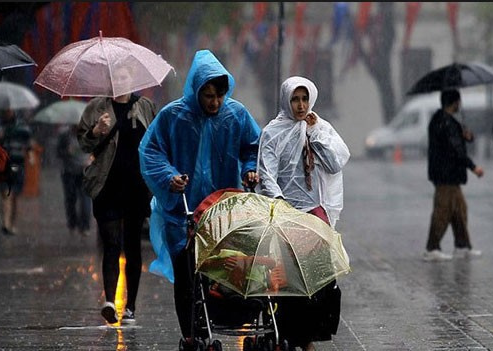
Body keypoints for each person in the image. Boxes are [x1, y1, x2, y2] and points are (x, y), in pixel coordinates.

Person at [138, 49, 261, 350]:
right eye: (207, 95)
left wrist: (249, 172)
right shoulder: (173, 117)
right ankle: (192, 333)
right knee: (186, 273)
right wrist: (170, 177)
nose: (214, 102)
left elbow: (253, 148)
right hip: (182, 213)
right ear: (196, 90)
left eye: (218, 95)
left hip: (223, 210)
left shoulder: (236, 115)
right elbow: (151, 151)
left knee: (222, 271)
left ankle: (215, 321)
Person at [257, 76, 350, 351]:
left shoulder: (317, 127)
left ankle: (311, 335)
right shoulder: (272, 133)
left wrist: (315, 134)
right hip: (285, 214)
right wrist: (280, 204)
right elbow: (267, 173)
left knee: (320, 279)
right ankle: (296, 337)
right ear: (287, 100)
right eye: (295, 99)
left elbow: (334, 164)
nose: (300, 105)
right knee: (290, 282)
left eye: (304, 99)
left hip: (314, 212)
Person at [77, 65, 157, 325]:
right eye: (114, 78)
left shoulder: (144, 106)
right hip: (106, 186)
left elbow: (157, 140)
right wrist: (96, 131)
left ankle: (130, 306)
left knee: (133, 246)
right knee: (111, 243)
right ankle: (110, 300)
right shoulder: (96, 108)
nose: (119, 82)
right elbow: (83, 142)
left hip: (135, 187)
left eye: (124, 76)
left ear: (131, 79)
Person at [424, 89, 484, 261]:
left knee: (459, 210)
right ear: (454, 102)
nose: (460, 104)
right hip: (445, 175)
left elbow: (460, 140)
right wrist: (473, 167)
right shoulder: (445, 122)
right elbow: (456, 150)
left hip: (449, 175)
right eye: (459, 101)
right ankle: (431, 248)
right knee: (442, 212)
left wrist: (467, 136)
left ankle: (462, 245)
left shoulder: (444, 121)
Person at [0, 108, 34, 235]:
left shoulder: (22, 127)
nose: (8, 112)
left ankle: (11, 223)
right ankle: (6, 223)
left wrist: (30, 155)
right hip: (4, 165)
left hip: (18, 165)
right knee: (7, 195)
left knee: (15, 197)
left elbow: (28, 144)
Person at [56, 124, 91, 237]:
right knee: (70, 199)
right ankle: (72, 223)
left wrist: (91, 160)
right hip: (69, 172)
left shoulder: (90, 134)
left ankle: (84, 226)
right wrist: (67, 152)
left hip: (84, 172)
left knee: (85, 200)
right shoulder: (65, 135)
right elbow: (58, 152)